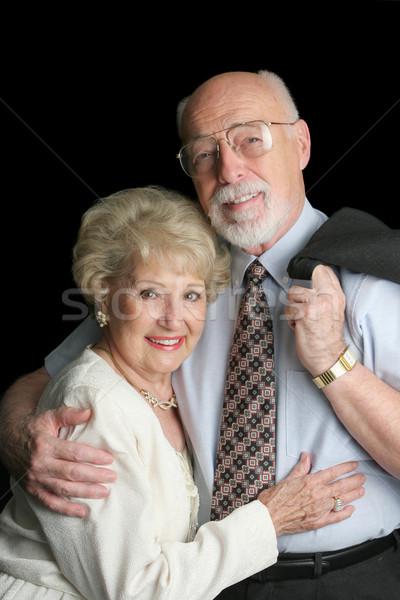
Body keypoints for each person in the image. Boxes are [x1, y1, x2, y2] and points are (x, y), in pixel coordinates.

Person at [1, 69, 400, 598]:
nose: (230, 169)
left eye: (250, 140)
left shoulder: (376, 278)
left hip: (347, 581)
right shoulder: (180, 273)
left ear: (300, 143)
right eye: (204, 154)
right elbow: (54, 380)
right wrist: (22, 439)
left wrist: (334, 361)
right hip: (202, 581)